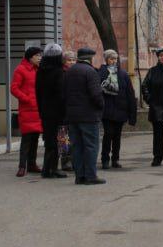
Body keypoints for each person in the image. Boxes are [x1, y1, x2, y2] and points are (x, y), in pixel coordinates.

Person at [63, 45, 104, 185]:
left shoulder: (69, 71)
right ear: (90, 58)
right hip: (89, 115)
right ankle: (91, 176)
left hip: (72, 115)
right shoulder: (90, 72)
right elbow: (96, 94)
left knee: (77, 146)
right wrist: (101, 106)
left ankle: (79, 176)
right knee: (91, 146)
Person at [99, 49, 137, 169]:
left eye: (115, 59)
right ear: (106, 60)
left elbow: (130, 93)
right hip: (107, 110)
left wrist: (132, 114)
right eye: (111, 58)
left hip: (121, 110)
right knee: (108, 134)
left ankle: (115, 159)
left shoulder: (123, 74)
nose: (114, 61)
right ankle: (105, 159)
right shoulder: (101, 73)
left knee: (117, 136)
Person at [34, 44, 68, 179]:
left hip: (45, 110)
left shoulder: (41, 71)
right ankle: (51, 169)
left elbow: (38, 92)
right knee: (58, 141)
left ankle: (48, 168)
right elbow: (61, 94)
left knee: (49, 141)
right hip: (58, 112)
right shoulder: (59, 72)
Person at [11, 46, 43, 177]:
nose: (40, 58)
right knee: (26, 139)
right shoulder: (21, 69)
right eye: (37, 56)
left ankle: (32, 164)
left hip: (38, 109)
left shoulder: (38, 70)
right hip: (27, 109)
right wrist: (27, 99)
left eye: (40, 56)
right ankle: (22, 166)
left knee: (35, 138)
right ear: (30, 57)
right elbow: (14, 88)